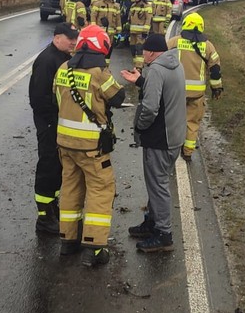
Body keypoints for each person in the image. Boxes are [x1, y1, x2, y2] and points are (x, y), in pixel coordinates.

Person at [53, 25, 124, 268]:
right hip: (92, 146)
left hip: (65, 143)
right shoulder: (99, 73)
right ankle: (95, 246)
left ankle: (67, 241)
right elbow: (118, 98)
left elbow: (56, 98)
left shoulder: (63, 68)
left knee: (70, 188)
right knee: (100, 190)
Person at [120, 34, 186, 253]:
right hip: (175, 135)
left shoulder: (156, 70)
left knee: (158, 186)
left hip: (160, 139)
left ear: (150, 52)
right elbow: (164, 92)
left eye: (144, 52)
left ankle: (163, 234)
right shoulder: (175, 65)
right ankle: (152, 221)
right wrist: (140, 81)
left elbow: (149, 108)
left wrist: (139, 126)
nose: (142, 55)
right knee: (157, 184)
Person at [28, 22, 79, 236]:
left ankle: (54, 208)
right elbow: (38, 98)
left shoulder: (64, 58)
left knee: (59, 167)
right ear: (57, 37)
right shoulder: (47, 60)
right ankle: (44, 217)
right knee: (48, 166)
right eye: (70, 39)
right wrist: (53, 119)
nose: (73, 42)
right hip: (49, 123)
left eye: (75, 39)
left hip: (59, 123)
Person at [168, 12, 223, 161]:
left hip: (176, 91)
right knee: (192, 123)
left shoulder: (174, 42)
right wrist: (216, 88)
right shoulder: (208, 46)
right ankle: (187, 152)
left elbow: (161, 59)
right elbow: (215, 70)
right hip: (196, 95)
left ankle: (170, 148)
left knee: (172, 120)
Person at [126, 0, 153, 69]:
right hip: (132, 32)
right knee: (133, 50)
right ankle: (135, 67)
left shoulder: (147, 6)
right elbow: (130, 18)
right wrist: (127, 26)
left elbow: (148, 20)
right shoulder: (133, 6)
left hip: (141, 33)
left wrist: (145, 32)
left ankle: (139, 68)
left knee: (139, 50)